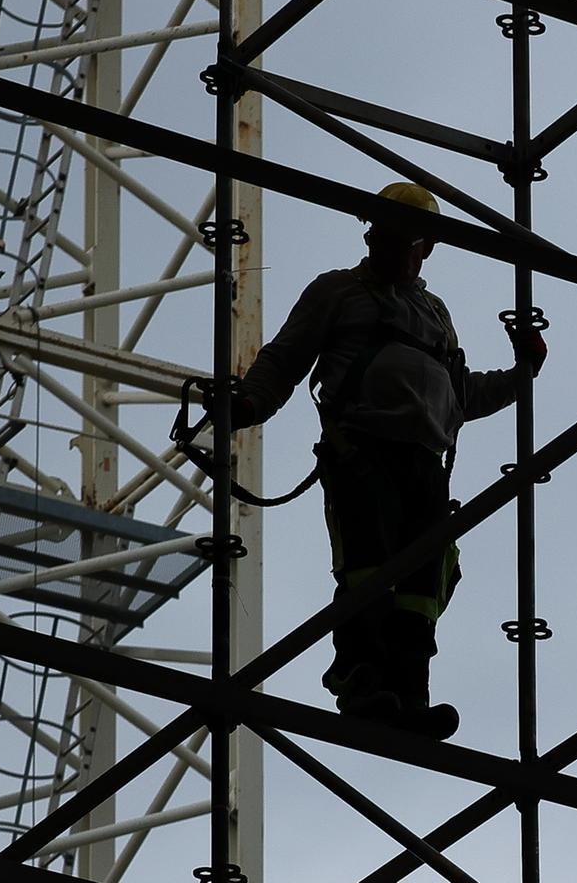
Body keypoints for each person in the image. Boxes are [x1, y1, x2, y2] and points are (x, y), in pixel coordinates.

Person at [219, 181, 545, 739]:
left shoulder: (434, 313)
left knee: (423, 583)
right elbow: (286, 358)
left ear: (426, 247)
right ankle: (363, 683)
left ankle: (409, 696)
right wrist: (248, 403)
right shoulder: (338, 292)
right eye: (383, 235)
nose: (389, 247)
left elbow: (460, 394)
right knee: (369, 566)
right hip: (361, 453)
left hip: (425, 464)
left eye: (403, 239)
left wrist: (522, 376)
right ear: (371, 234)